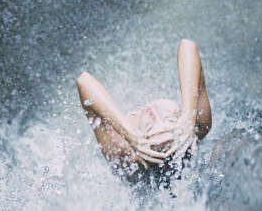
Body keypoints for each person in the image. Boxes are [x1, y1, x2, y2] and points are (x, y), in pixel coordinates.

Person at [77, 38, 211, 174]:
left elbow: (84, 81)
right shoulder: (196, 125)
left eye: (149, 126)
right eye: (167, 120)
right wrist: (188, 115)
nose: (153, 111)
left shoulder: (124, 155)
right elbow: (187, 45)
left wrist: (130, 135)